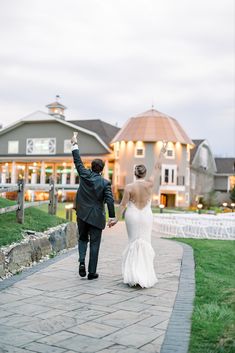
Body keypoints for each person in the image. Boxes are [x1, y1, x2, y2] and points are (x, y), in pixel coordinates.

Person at [71, 134, 115, 280]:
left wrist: (75, 144)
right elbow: (109, 200)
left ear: (91, 167)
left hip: (82, 214)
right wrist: (112, 216)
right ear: (102, 170)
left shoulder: (84, 174)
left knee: (83, 239)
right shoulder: (105, 183)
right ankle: (91, 272)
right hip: (96, 217)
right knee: (95, 244)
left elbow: (77, 161)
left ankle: (81, 261)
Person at [110, 164, 158, 288]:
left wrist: (116, 219)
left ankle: (134, 275)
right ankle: (144, 275)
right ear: (145, 173)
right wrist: (162, 152)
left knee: (133, 242)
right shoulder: (150, 184)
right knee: (145, 242)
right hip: (146, 216)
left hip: (132, 216)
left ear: (134, 173)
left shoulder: (129, 187)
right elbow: (157, 167)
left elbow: (122, 205)